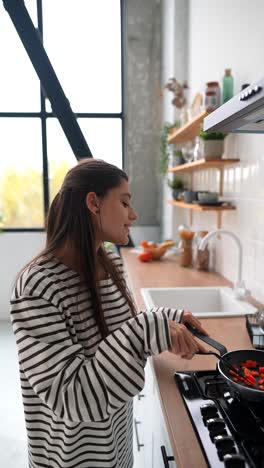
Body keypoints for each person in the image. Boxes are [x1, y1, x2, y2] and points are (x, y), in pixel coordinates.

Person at [10, 159, 208, 468]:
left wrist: (168, 318)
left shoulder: (110, 265)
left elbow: (120, 331)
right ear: (93, 202)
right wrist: (148, 328)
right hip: (73, 459)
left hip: (116, 448)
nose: (134, 214)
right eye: (125, 202)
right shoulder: (37, 286)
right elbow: (72, 396)